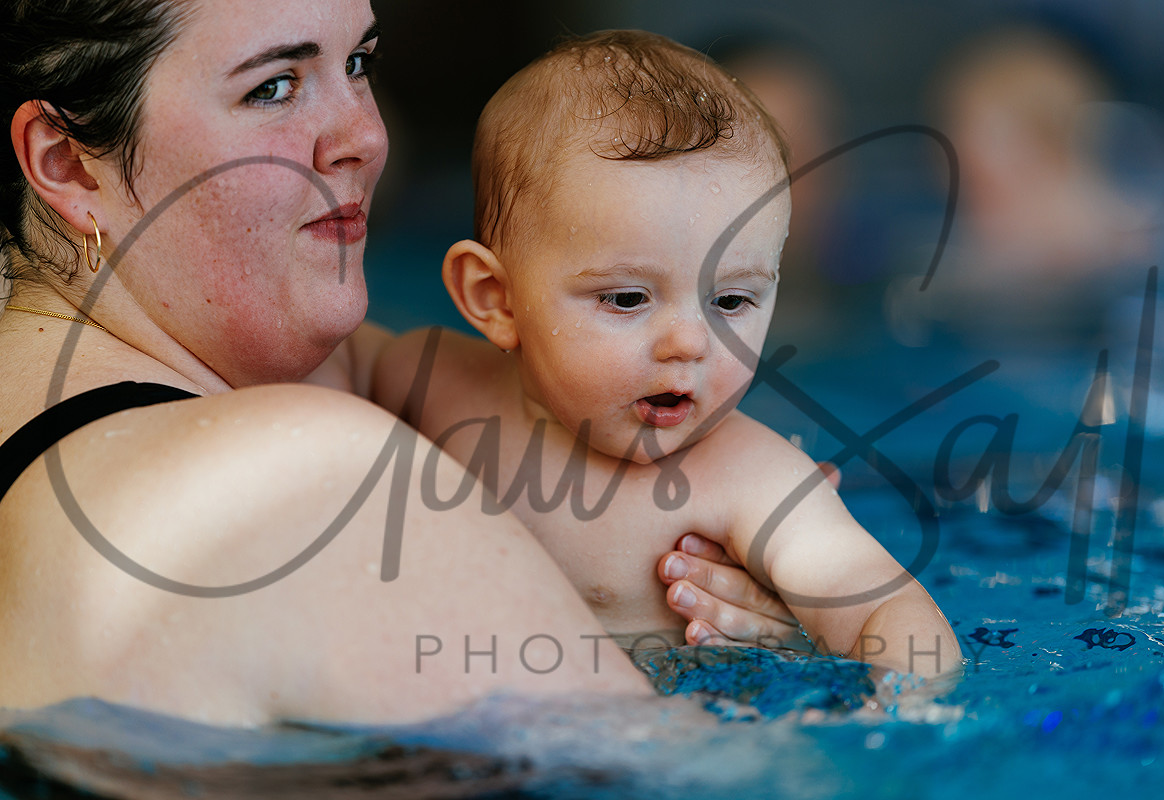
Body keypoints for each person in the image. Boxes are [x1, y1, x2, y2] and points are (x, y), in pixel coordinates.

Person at [0, 0, 777, 727]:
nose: (368, 137)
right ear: (67, 164)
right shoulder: (301, 482)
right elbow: (683, 778)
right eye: (273, 87)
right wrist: (758, 638)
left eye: (359, 64)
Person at [379, 31, 961, 679]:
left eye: (731, 301)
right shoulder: (430, 381)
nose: (690, 342)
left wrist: (909, 701)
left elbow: (884, 605)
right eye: (628, 298)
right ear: (496, 299)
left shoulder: (749, 478)